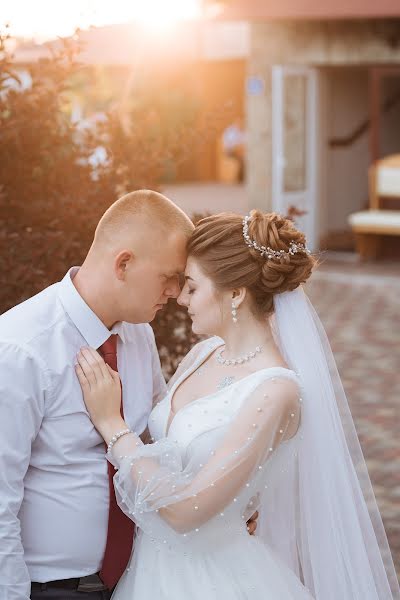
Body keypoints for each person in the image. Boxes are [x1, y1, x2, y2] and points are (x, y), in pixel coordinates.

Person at [76, 210, 400, 600]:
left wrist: (113, 426)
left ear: (235, 293)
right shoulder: (204, 352)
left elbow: (187, 510)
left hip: (209, 581)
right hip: (151, 567)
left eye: (192, 287)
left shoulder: (274, 391)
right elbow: (170, 449)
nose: (180, 298)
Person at [1, 190, 260, 600]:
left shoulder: (138, 334)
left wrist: (219, 501)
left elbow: (159, 446)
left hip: (138, 578)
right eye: (169, 277)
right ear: (124, 264)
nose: (177, 292)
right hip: (49, 589)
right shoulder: (21, 349)